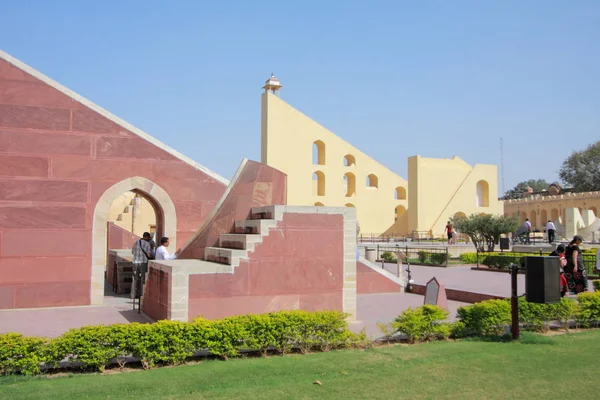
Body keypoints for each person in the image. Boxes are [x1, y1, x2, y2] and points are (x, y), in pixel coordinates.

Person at [131, 232, 155, 298]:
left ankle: (133, 294)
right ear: (147, 237)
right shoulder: (147, 244)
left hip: (135, 262)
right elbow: (148, 254)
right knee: (142, 279)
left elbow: (132, 252)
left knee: (134, 278)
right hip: (143, 262)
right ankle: (141, 294)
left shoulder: (136, 242)